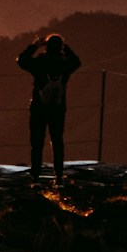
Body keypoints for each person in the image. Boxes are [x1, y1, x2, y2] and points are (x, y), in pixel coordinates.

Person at [19, 33, 82, 182]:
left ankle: (35, 175)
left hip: (38, 108)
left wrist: (34, 46)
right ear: (60, 47)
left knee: (37, 142)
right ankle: (59, 175)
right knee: (57, 140)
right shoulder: (65, 63)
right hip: (58, 108)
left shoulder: (40, 63)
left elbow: (21, 60)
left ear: (47, 47)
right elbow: (77, 62)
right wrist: (66, 48)